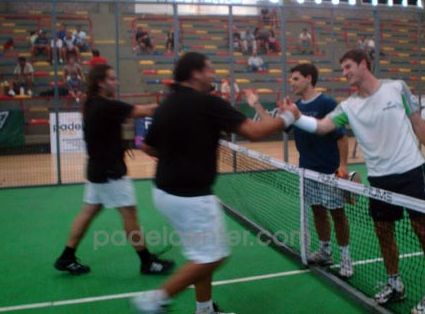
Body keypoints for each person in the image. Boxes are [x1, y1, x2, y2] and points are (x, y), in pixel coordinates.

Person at [286, 49, 425, 314]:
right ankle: (394, 284)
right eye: (342, 69)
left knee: (424, 231)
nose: (344, 73)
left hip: (410, 171)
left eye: (348, 67)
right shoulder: (348, 107)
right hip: (379, 178)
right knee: (383, 232)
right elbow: (322, 127)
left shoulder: (396, 88)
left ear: (364, 64)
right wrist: (297, 117)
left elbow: (418, 123)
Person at [131, 52, 296, 314]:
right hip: (192, 199)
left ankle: (204, 309)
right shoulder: (208, 103)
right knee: (214, 257)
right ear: (195, 73)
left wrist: (178, 154)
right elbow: (254, 132)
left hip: (164, 194)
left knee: (202, 255)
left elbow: (148, 146)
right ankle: (156, 298)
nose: (213, 74)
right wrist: (289, 117)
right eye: (209, 69)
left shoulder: (167, 104)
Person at [54, 64, 175, 276]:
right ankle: (147, 262)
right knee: (129, 215)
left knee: (88, 212)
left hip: (97, 170)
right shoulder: (105, 106)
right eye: (111, 79)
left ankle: (66, 257)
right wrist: (176, 102)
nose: (116, 82)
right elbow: (145, 111)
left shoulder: (93, 104)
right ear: (101, 82)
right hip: (110, 173)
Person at [260, 63, 353, 277]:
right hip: (307, 171)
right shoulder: (296, 106)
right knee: (318, 211)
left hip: (329, 171)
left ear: (309, 79)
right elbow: (283, 129)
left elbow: (341, 136)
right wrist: (280, 114)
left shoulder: (327, 103)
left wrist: (343, 166)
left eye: (296, 79)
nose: (292, 83)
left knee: (338, 214)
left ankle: (346, 258)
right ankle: (325, 251)